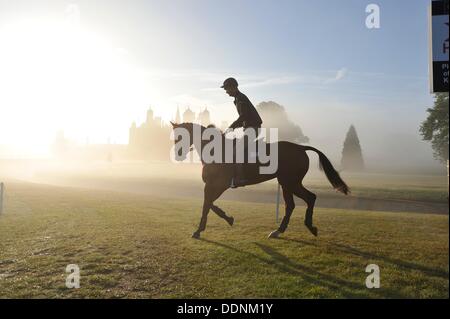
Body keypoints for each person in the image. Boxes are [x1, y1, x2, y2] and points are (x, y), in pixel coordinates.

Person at [221, 77, 263, 188]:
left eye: (227, 89)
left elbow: (243, 116)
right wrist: (233, 128)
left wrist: (231, 127)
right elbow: (244, 118)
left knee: (237, 150)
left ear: (233, 87)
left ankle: (240, 178)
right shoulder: (238, 99)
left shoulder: (241, 99)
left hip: (253, 128)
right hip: (250, 127)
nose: (226, 91)